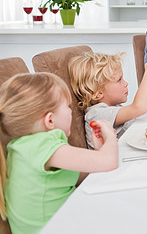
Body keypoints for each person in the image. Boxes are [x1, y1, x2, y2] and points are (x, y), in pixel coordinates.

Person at [0, 73, 118, 233]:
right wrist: (109, 134)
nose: (71, 112)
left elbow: (77, 173)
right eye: (67, 106)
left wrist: (98, 152)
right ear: (50, 120)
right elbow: (109, 162)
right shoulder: (43, 144)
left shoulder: (21, 146)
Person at [69, 52, 147, 148]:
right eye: (119, 80)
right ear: (98, 93)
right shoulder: (97, 115)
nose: (126, 83)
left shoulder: (114, 107)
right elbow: (139, 108)